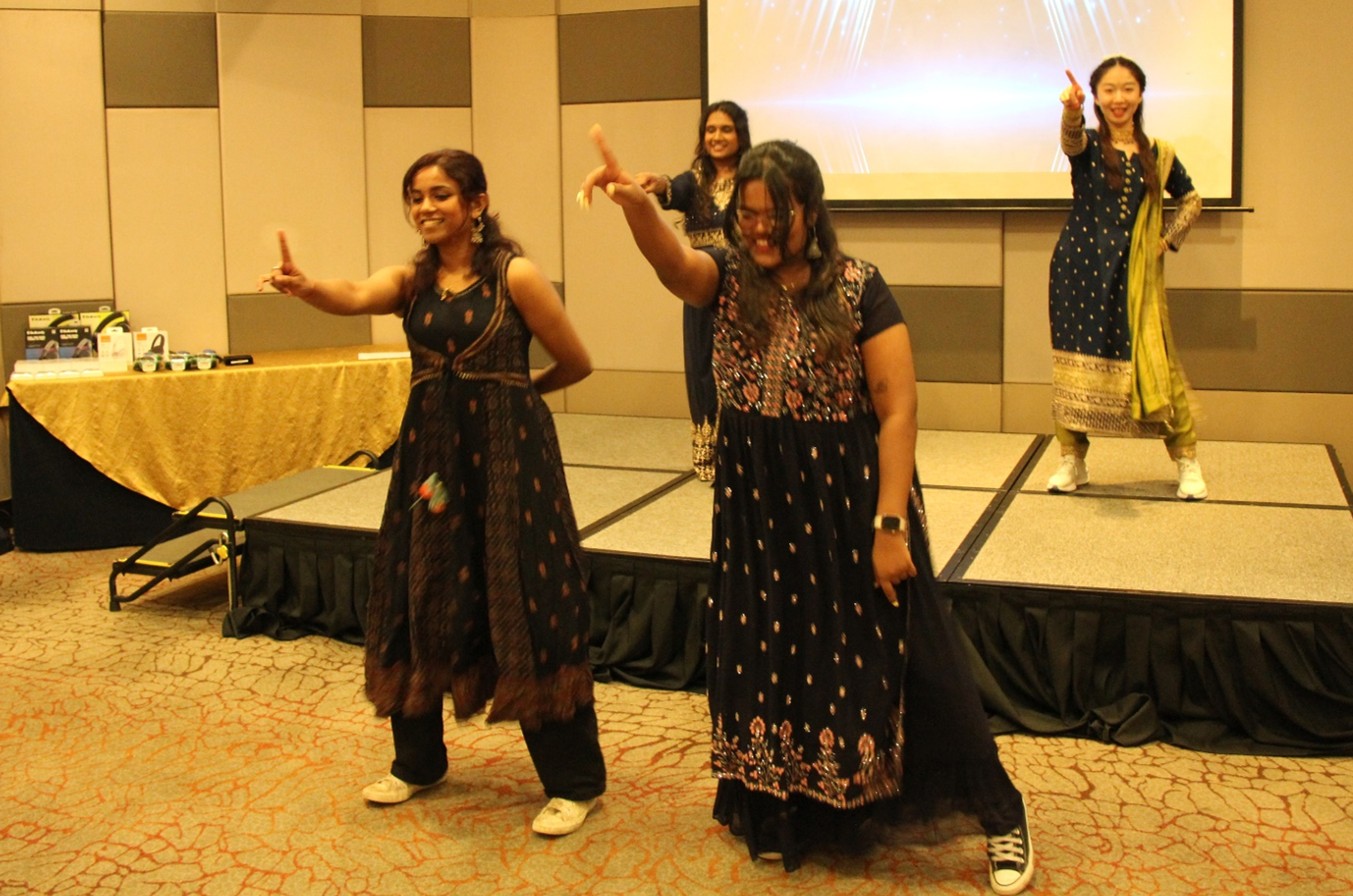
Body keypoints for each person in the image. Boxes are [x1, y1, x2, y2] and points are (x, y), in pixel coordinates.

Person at [579, 130, 1034, 895]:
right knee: (773, 657)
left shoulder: (859, 286)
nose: (757, 229)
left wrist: (889, 527)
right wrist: (636, 208)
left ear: (811, 212)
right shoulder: (723, 277)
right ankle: (788, 813)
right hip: (757, 505)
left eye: (774, 216)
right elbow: (672, 264)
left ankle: (999, 815)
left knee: (914, 659)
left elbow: (895, 409)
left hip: (851, 501)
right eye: (747, 215)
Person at [261, 148, 606, 837]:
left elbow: (576, 361)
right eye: (414, 197)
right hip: (431, 467)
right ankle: (417, 762)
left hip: (511, 466)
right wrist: (306, 288)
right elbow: (353, 296)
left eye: (440, 194)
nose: (424, 208)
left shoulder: (517, 276)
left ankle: (575, 783)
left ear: (476, 203)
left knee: (526, 600)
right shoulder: (411, 282)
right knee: (416, 591)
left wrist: (515, 396)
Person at [1048, 56, 1206, 499]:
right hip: (1078, 269)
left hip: (1136, 275)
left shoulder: (1160, 152)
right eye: (1109, 90)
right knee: (1073, 367)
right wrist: (1072, 110)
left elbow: (1192, 200)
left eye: (1128, 88)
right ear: (1097, 97)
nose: (1119, 98)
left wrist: (1164, 240)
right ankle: (1071, 460)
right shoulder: (1089, 144)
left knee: (1157, 361)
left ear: (1140, 94)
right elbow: (1070, 140)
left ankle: (1187, 463)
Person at [633, 100, 751, 481]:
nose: (717, 137)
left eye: (726, 129)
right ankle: (711, 457)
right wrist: (658, 184)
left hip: (746, 287)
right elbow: (673, 189)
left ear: (741, 135)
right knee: (702, 367)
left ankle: (748, 451)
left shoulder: (755, 177)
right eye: (711, 130)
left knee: (744, 365)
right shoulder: (696, 179)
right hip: (700, 289)